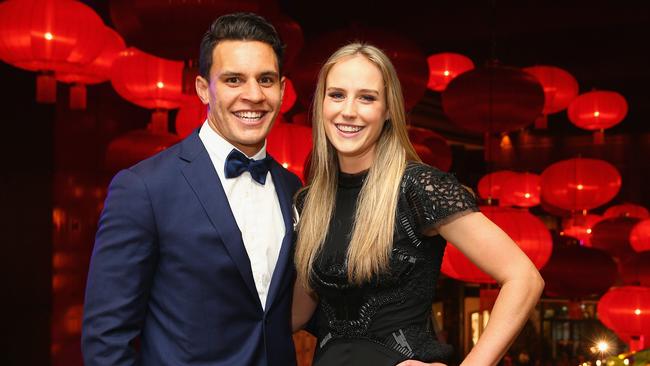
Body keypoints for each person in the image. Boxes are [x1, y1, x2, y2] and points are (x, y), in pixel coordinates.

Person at [291, 43, 545, 366]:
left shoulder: (419, 188)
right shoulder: (310, 202)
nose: (349, 110)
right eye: (337, 94)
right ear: (321, 105)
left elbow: (523, 278)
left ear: (387, 111)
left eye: (367, 97)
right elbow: (297, 312)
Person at [82, 13, 302, 366]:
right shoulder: (144, 188)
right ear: (203, 88)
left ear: (282, 88)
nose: (254, 95)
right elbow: (106, 339)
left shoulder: (292, 187)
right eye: (233, 79)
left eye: (266, 79)